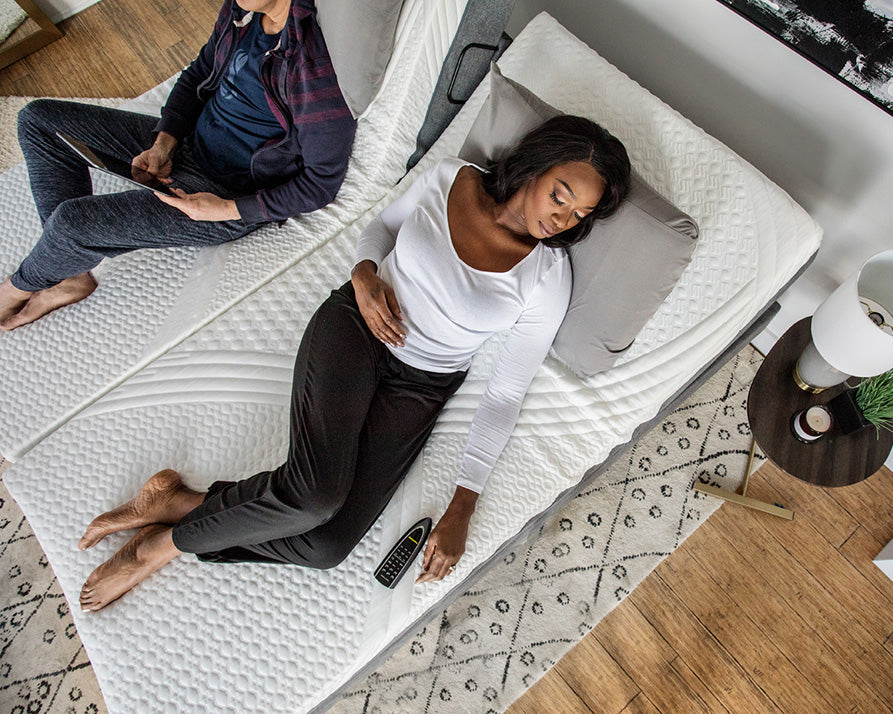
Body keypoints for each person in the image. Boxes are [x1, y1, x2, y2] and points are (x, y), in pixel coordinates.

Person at [76, 115, 632, 611]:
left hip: (421, 385)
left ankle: (180, 502)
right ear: (535, 167)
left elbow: (506, 393)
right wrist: (364, 277)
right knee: (313, 494)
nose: (564, 218)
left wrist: (463, 507)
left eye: (580, 214)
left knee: (324, 546)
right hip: (356, 327)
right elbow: (380, 228)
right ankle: (157, 549)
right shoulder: (451, 178)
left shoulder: (547, 276)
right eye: (561, 196)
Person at [0, 0, 355, 331]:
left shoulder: (312, 65)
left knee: (72, 222)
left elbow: (320, 183)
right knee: (38, 119)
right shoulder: (242, 12)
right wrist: (163, 143)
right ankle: (68, 273)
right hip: (187, 146)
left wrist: (224, 209)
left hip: (222, 191)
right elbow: (199, 71)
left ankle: (18, 288)